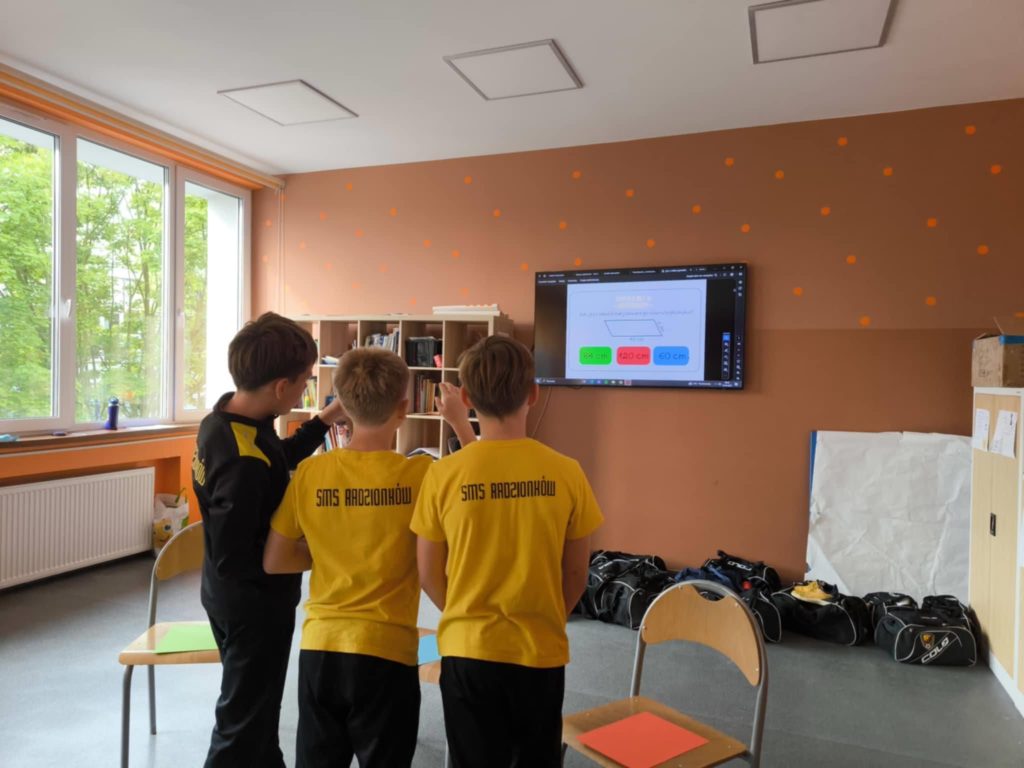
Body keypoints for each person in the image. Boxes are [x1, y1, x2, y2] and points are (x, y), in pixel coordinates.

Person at [411, 336, 604, 767]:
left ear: (465, 398)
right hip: (539, 650)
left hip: (467, 650)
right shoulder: (567, 472)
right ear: (532, 394)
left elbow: (427, 573)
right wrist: (549, 617)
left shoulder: (443, 475)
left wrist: (461, 612)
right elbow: (577, 575)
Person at [263, 348, 445, 767]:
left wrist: (326, 550)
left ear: (342, 406)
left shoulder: (310, 473)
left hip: (321, 649)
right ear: (403, 408)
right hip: (389, 652)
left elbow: (275, 560)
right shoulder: (423, 476)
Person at [192, 312, 345, 768]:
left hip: (227, 597)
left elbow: (277, 455)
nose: (305, 389)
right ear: (281, 387)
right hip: (253, 608)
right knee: (241, 723)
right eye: (304, 382)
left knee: (257, 714)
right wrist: (313, 551)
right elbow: (238, 556)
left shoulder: (224, 420)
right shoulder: (243, 462)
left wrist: (324, 419)